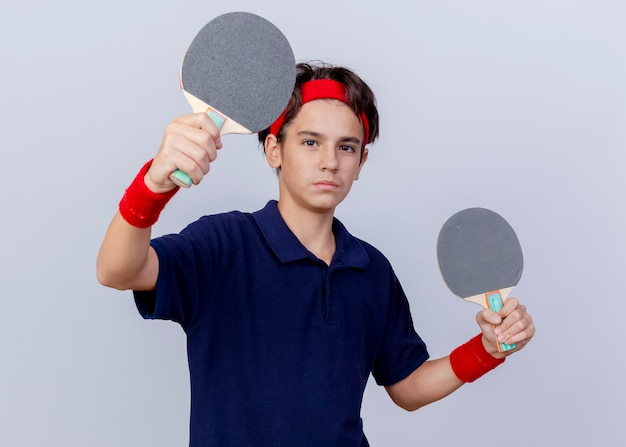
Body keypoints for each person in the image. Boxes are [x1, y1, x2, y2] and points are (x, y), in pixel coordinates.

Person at [97, 62, 535, 446]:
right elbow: (117, 270)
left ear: (361, 162)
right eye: (310, 142)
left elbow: (407, 386)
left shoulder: (372, 271)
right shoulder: (223, 244)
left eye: (346, 147)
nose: (330, 161)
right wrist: (153, 186)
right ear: (274, 150)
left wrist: (487, 350)